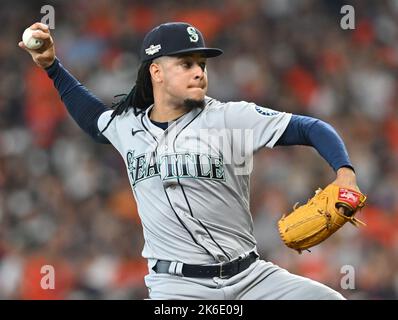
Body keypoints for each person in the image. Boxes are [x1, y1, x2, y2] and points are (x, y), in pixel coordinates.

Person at [19, 21, 361, 300]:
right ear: (156, 71)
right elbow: (92, 117)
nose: (198, 71)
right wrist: (52, 66)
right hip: (179, 289)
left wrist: (344, 174)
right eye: (185, 63)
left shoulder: (231, 117)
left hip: (252, 279)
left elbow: (312, 128)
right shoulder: (127, 127)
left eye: (201, 64)